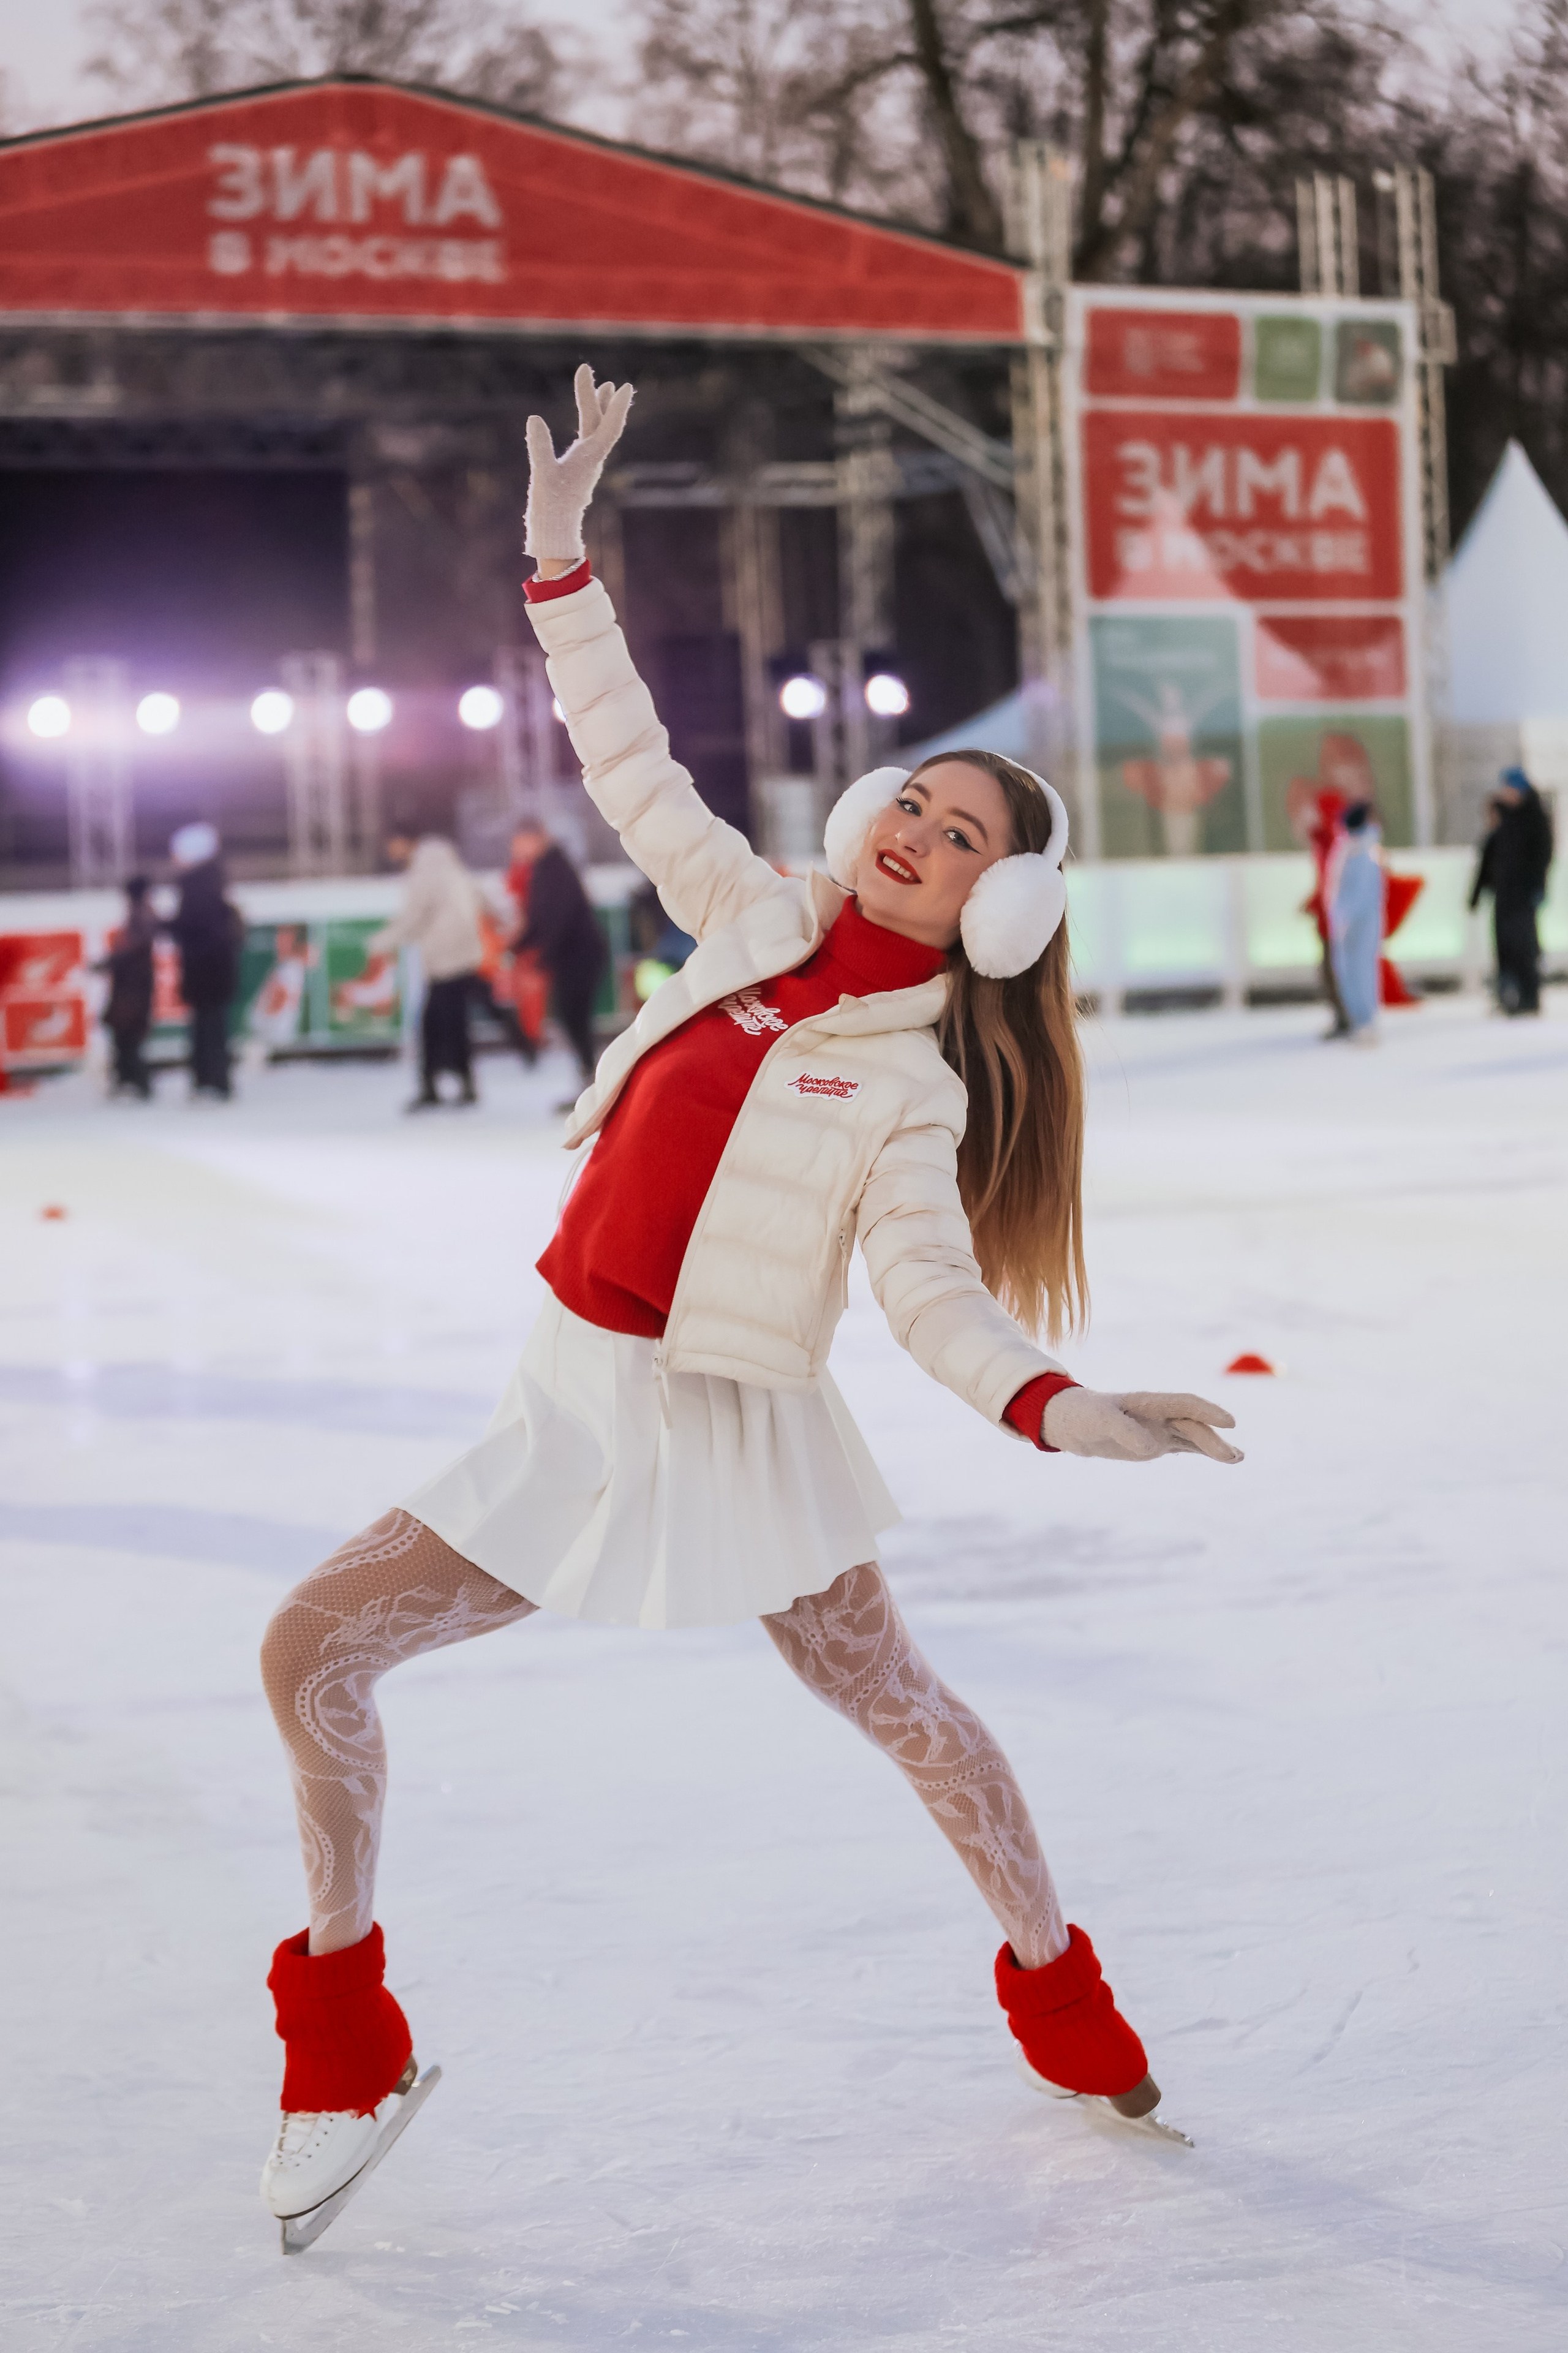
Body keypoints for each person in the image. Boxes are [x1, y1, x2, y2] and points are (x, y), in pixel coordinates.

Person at [255, 366, 1243, 2246]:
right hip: (573, 1396)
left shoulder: (914, 1081)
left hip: (735, 1420)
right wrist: (560, 568)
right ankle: (344, 2039)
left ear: (1001, 907)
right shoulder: (757, 911)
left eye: (963, 838)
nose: (916, 837)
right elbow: (631, 762)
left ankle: (1058, 1986)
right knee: (312, 1650)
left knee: (899, 1705)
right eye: (916, 805)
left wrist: (1058, 1405)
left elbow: (932, 1291)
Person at [370, 834, 487, 1109]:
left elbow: (414, 917)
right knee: (456, 1026)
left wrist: (382, 941)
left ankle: (431, 1087)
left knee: (431, 1027)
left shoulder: (424, 873)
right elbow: (482, 899)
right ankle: (462, 1084)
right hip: (463, 958)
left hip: (443, 961)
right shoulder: (454, 868)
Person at [506, 819, 609, 1103]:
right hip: (572, 954)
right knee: (570, 1017)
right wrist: (518, 946)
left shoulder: (554, 867)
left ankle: (593, 1081)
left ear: (537, 838)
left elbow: (559, 917)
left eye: (520, 843)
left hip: (580, 954)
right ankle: (590, 1078)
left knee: (573, 1016)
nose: (517, 851)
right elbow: (541, 919)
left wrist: (543, 954)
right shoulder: (545, 868)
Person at [166, 823, 241, 1100]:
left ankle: (211, 1081)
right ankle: (214, 1081)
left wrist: (168, 927)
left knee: (208, 1028)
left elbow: (195, 927)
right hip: (213, 972)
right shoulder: (213, 883)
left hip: (205, 972)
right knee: (213, 1026)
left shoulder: (197, 886)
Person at [1470, 766, 1554, 1015]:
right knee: (1504, 946)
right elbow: (1490, 857)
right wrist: (1476, 894)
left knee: (1524, 946)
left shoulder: (1535, 817)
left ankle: (1529, 998)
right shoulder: (1504, 818)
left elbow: (1543, 856)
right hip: (1503, 893)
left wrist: (1537, 886)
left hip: (1524, 894)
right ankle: (1508, 997)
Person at [1327, 801, 1385, 1047]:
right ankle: (1360, 1021)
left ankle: (1366, 1022)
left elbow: (1360, 893)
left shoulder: (1364, 851)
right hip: (1349, 924)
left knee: (1361, 973)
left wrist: (1346, 918)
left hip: (1359, 924)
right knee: (1351, 973)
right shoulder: (1351, 849)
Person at [96, 874, 157, 1098]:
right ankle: (129, 1080)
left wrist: (107, 963)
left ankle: (134, 1081)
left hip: (133, 988)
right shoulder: (142, 913)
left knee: (128, 1036)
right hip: (133, 986)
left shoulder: (141, 914)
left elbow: (131, 950)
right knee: (127, 1035)